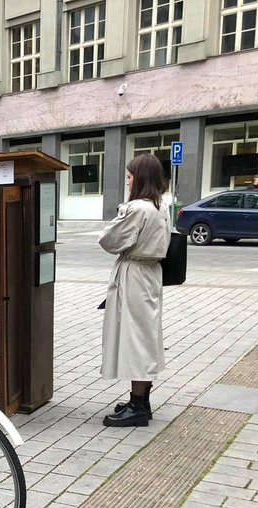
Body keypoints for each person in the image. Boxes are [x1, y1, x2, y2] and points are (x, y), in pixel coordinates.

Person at [98, 152, 171, 427]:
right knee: (145, 335)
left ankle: (138, 407)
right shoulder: (160, 206)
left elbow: (108, 240)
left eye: (130, 177)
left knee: (137, 339)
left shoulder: (138, 209)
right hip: (150, 274)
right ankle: (141, 400)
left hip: (135, 274)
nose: (128, 182)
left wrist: (122, 213)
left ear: (139, 178)